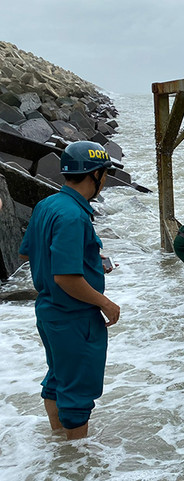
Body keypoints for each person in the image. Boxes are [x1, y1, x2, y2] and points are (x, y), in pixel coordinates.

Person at [18, 140, 120, 440]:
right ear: (95, 175)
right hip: (73, 316)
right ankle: (77, 461)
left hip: (49, 311)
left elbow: (28, 253)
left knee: (57, 378)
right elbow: (66, 278)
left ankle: (60, 446)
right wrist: (105, 303)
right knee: (77, 392)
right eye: (104, 174)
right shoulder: (74, 216)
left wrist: (89, 257)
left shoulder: (47, 204)